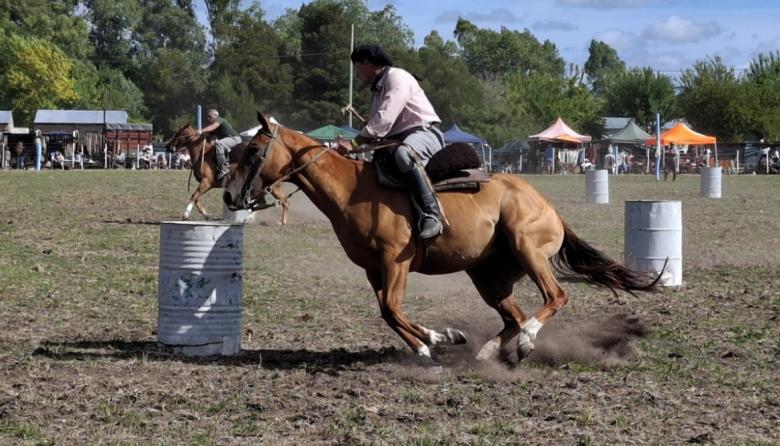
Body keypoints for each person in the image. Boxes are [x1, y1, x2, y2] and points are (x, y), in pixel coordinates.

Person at [335, 44, 445, 240]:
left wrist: (353, 144)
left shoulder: (397, 77)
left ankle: (432, 214)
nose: (356, 74)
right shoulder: (376, 92)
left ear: (367, 64)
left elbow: (384, 120)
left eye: (356, 67)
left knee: (405, 154)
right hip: (399, 140)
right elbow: (380, 129)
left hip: (425, 134)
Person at [199, 109, 241, 180]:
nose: (208, 118)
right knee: (214, 146)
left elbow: (213, 126)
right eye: (207, 117)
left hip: (234, 138)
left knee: (219, 144)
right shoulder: (213, 128)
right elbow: (208, 137)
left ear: (216, 115)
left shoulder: (220, 120)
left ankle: (223, 168)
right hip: (228, 140)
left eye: (209, 116)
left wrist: (201, 130)